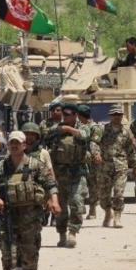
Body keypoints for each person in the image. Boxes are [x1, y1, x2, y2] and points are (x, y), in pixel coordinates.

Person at [0, 131, 61, 270]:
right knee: (7, 251)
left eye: (17, 143)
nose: (14, 145)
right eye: (11, 143)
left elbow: (50, 183)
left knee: (30, 251)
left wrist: (54, 201)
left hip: (30, 216)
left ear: (24, 145)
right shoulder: (1, 167)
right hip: (8, 215)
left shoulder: (35, 165)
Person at [48, 103, 90, 248]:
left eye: (68, 115)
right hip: (59, 174)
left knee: (77, 203)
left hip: (77, 173)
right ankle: (61, 234)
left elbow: (84, 135)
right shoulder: (56, 127)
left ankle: (73, 232)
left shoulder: (83, 126)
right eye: (63, 115)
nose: (64, 117)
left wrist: (68, 129)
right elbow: (48, 133)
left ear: (75, 115)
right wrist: (63, 128)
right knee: (61, 207)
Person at [97, 105, 136, 228]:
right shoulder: (103, 130)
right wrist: (96, 155)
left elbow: (131, 151)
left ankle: (117, 216)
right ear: (111, 116)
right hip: (105, 166)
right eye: (115, 114)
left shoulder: (126, 132)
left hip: (121, 166)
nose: (117, 117)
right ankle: (107, 212)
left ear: (122, 116)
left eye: (119, 114)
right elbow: (94, 143)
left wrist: (135, 166)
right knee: (103, 195)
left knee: (118, 192)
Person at [21, 122, 55, 226]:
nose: (29, 137)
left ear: (37, 136)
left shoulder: (43, 153)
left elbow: (50, 173)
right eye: (26, 134)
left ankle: (49, 214)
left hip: (40, 191)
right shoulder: (18, 152)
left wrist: (51, 197)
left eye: (32, 134)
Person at [77, 104, 103, 220]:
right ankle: (79, 209)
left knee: (93, 185)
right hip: (79, 159)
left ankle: (92, 209)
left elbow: (94, 143)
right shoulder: (78, 126)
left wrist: (95, 155)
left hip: (91, 160)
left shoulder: (94, 127)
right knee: (79, 185)